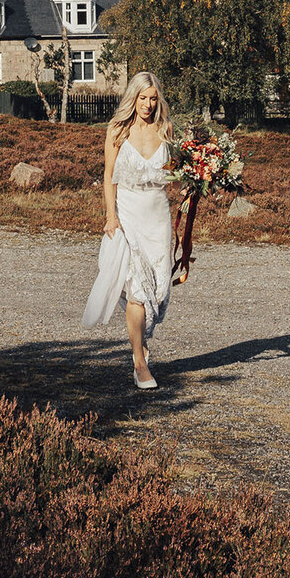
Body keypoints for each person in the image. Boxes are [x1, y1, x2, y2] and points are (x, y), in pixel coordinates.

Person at [82, 70, 177, 389]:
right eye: (142, 98)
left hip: (159, 216)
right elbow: (109, 176)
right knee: (137, 290)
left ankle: (141, 341)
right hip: (128, 213)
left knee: (159, 292)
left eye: (153, 99)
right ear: (133, 98)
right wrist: (111, 216)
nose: (148, 104)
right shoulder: (117, 130)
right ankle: (139, 363)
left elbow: (177, 173)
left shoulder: (166, 129)